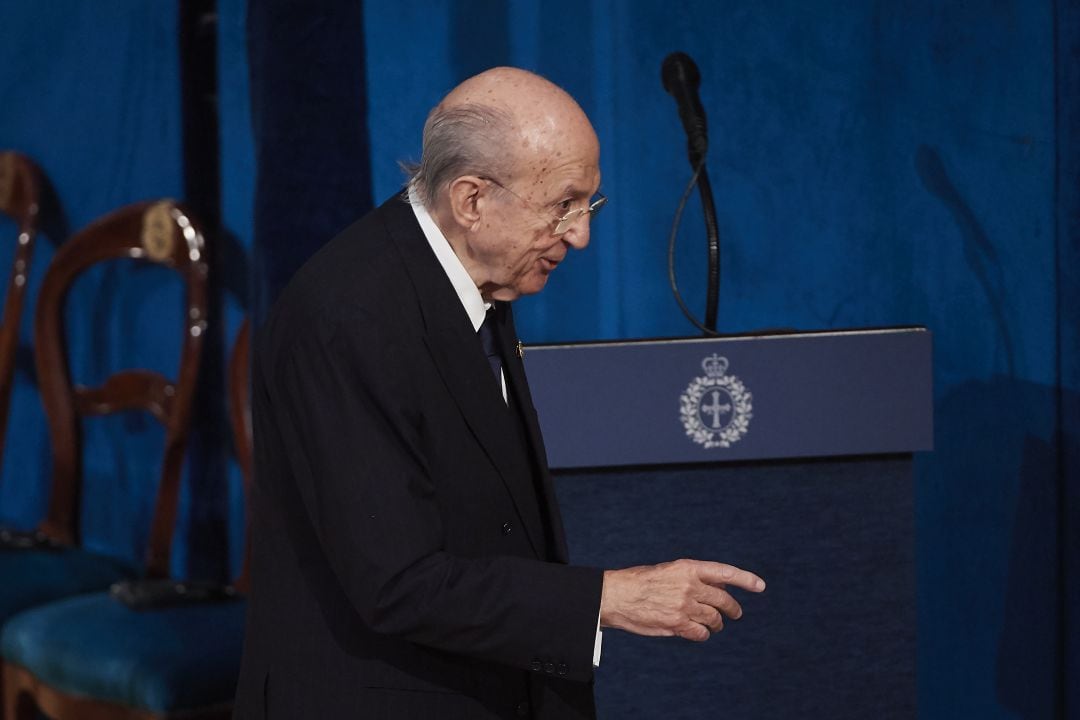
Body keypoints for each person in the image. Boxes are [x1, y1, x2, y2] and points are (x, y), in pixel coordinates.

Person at [234, 66, 765, 720]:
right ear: (472, 200)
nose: (580, 235)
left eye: (588, 206)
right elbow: (397, 583)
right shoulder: (348, 320)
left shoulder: (479, 276)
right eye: (563, 206)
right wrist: (609, 599)